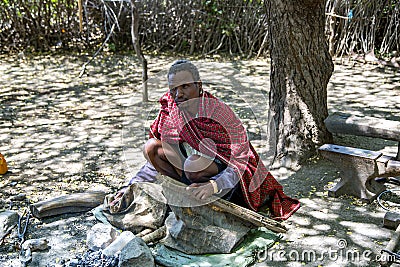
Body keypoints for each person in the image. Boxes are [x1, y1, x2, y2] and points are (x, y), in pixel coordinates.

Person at [113, 60, 300, 220]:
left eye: (185, 86)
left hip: (218, 173)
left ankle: (209, 194)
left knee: (194, 164)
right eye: (173, 89)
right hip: (185, 172)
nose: (179, 94)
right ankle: (184, 191)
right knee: (151, 147)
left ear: (199, 86)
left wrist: (214, 185)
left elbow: (242, 160)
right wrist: (129, 187)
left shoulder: (220, 112)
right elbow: (154, 161)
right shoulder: (171, 110)